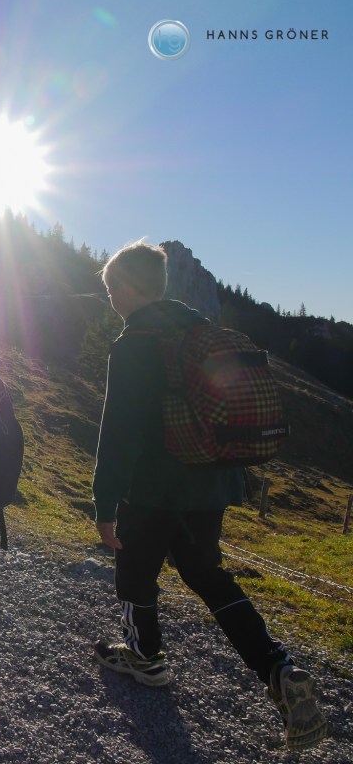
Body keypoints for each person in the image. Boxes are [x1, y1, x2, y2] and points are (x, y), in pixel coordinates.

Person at [90, 242, 328, 751]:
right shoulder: (199, 330)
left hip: (153, 487)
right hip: (213, 482)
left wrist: (104, 502)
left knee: (134, 572)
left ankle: (146, 659)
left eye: (111, 290)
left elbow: (119, 433)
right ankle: (276, 666)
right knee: (206, 574)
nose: (111, 299)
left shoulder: (135, 344)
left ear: (127, 288)